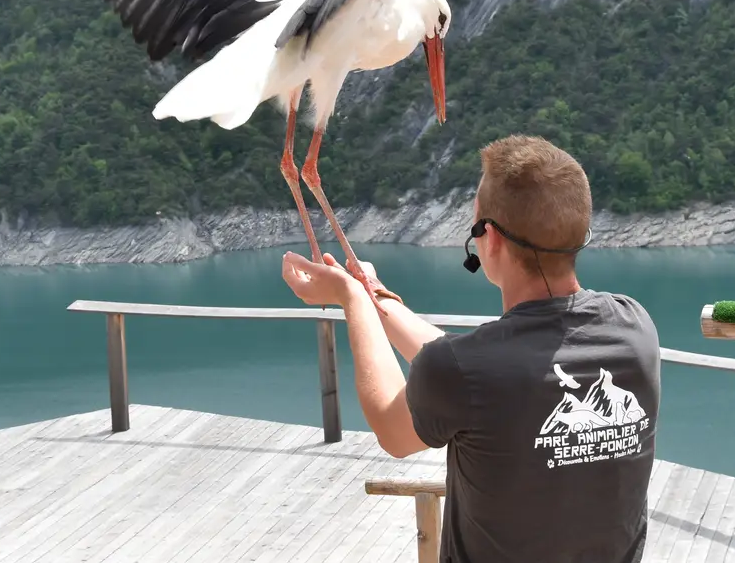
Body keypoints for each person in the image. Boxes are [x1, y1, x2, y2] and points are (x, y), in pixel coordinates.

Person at [281, 134, 661, 563]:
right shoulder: (635, 328)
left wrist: (351, 300)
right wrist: (376, 295)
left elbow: (393, 427)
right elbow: (472, 368)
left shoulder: (466, 371)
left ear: (491, 240)